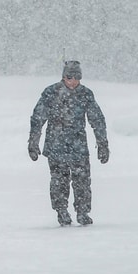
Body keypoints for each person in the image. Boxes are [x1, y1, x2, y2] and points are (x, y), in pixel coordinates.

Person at [28, 60, 109, 226]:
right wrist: (33, 143)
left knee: (83, 181)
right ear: (63, 77)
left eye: (77, 77)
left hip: (78, 145)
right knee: (59, 181)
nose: (73, 81)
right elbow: (38, 118)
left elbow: (97, 119)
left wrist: (102, 144)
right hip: (56, 145)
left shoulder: (85, 94)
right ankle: (61, 211)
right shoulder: (51, 92)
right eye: (69, 77)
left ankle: (82, 212)